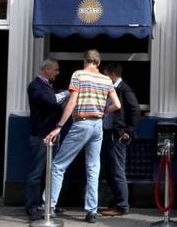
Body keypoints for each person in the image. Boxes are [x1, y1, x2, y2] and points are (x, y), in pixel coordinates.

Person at [44, 49, 121, 224]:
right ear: (98, 63)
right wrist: (103, 111)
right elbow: (116, 104)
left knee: (58, 165)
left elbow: (72, 101)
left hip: (81, 123)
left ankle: (49, 206)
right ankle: (91, 211)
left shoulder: (78, 75)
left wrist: (59, 126)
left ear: (84, 60)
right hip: (98, 125)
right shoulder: (106, 79)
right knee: (93, 167)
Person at [25, 59, 69, 221]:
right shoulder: (36, 86)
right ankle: (31, 207)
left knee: (50, 172)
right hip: (41, 135)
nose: (57, 73)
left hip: (51, 134)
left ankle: (47, 204)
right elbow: (51, 101)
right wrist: (67, 93)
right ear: (47, 70)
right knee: (37, 172)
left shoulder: (48, 86)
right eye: (55, 70)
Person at [100, 62, 141, 217]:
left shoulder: (124, 89)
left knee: (117, 171)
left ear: (112, 74)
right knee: (109, 171)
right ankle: (117, 201)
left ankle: (122, 206)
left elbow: (135, 110)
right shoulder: (113, 89)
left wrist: (128, 131)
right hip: (108, 133)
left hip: (117, 135)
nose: (103, 77)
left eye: (105, 74)